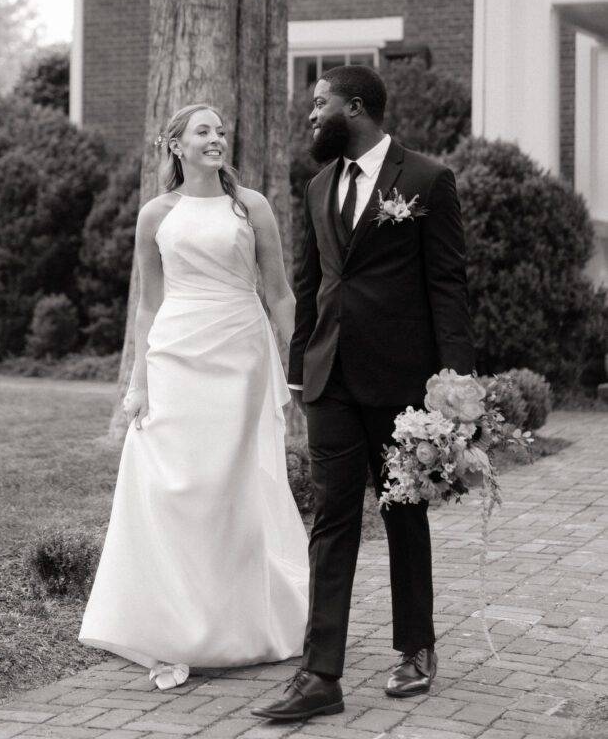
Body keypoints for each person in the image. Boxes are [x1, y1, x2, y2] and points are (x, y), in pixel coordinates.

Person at [252, 65, 474, 722]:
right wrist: (298, 372)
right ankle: (321, 675)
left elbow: (447, 287)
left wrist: (454, 386)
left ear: (355, 107)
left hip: (403, 385)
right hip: (330, 383)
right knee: (332, 523)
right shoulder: (319, 184)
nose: (311, 115)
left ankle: (415, 649)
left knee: (404, 517)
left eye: (319, 104)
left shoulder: (427, 180)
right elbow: (311, 279)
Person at [79, 103, 309, 689]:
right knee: (173, 483)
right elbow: (149, 303)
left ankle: (236, 624)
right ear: (175, 146)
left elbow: (279, 292)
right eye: (203, 131)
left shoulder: (249, 206)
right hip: (175, 354)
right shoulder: (156, 214)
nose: (217, 138)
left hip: (238, 353)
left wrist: (307, 362)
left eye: (221, 130)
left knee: (226, 485)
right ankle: (174, 623)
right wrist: (138, 380)